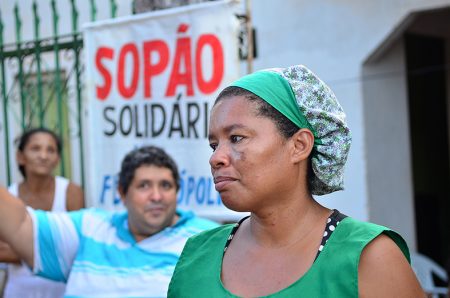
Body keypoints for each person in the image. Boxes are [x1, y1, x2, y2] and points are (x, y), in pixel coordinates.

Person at [168, 65, 426, 297]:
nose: (216, 158)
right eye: (214, 145)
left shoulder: (367, 257)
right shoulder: (197, 255)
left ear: (299, 145)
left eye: (236, 138)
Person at [0, 145, 219, 297]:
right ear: (122, 193)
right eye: (144, 186)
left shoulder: (207, 241)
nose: (156, 196)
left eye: (165, 186)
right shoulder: (89, 228)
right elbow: (19, 223)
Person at [0, 127, 84, 298]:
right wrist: (51, 248)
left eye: (50, 150)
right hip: (18, 291)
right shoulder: (9, 197)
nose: (43, 156)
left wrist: (20, 247)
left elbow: (77, 247)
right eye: (35, 149)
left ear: (58, 159)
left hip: (62, 291)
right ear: (20, 157)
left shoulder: (70, 192)